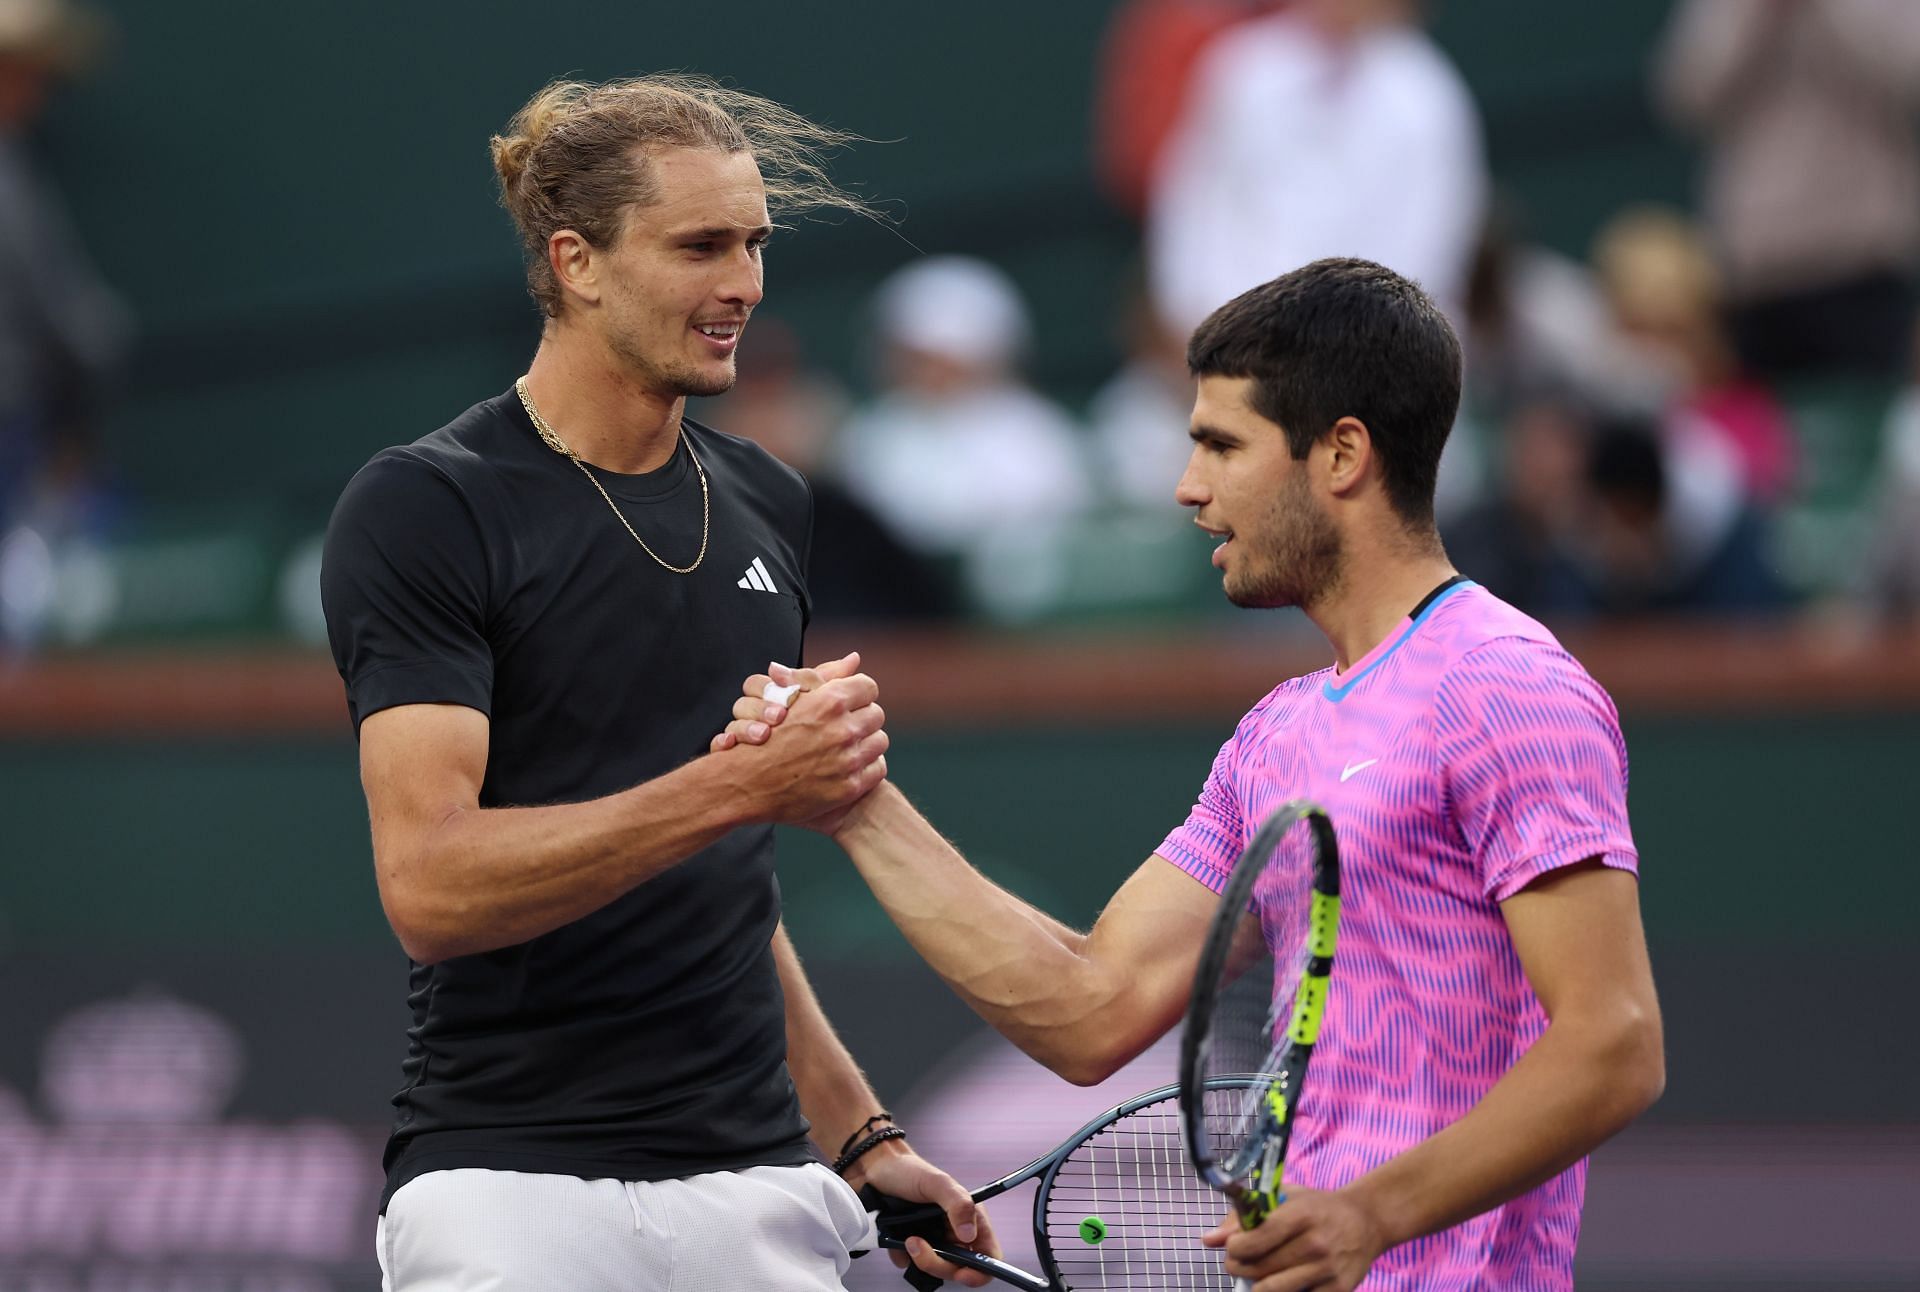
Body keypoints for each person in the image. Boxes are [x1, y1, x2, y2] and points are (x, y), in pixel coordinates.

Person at [719, 259, 1664, 1290]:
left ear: (1341, 453)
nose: (1188, 487)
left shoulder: (1507, 683)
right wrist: (855, 795)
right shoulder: (1275, 734)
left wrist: (1372, 1212)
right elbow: (1091, 1008)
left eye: (1220, 444)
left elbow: (1613, 1041)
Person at [318, 75, 996, 1291]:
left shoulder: (767, 500)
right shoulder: (427, 502)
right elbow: (430, 882)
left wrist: (862, 1136)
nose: (744, 282)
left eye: (754, 243)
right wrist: (738, 786)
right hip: (509, 1194)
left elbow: (726, 894)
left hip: (757, 1185)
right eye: (700, 245)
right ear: (576, 261)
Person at [1146, 0, 1486, 335]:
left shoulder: (1427, 95)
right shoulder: (1241, 68)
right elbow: (1191, 206)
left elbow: (1432, 242)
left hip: (1377, 349)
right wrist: (1201, 320)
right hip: (1238, 340)